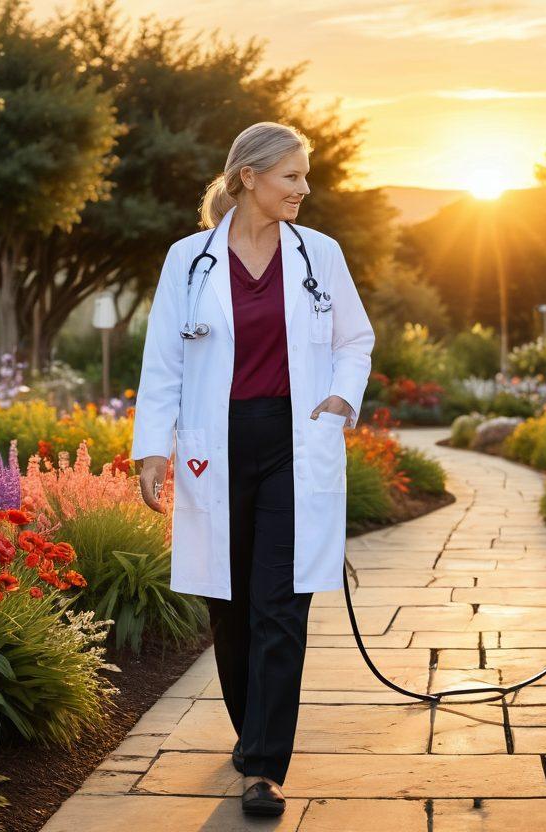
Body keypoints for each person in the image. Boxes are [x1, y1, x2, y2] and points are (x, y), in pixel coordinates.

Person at [131, 121, 374, 817]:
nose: (304, 187)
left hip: (297, 440)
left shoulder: (319, 254)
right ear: (249, 178)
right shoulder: (190, 259)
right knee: (229, 606)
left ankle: (266, 763)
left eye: (304, 175)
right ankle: (251, 735)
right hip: (219, 441)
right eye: (292, 176)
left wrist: (341, 393)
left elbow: (356, 337)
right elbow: (164, 360)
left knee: (281, 602)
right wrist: (154, 446)